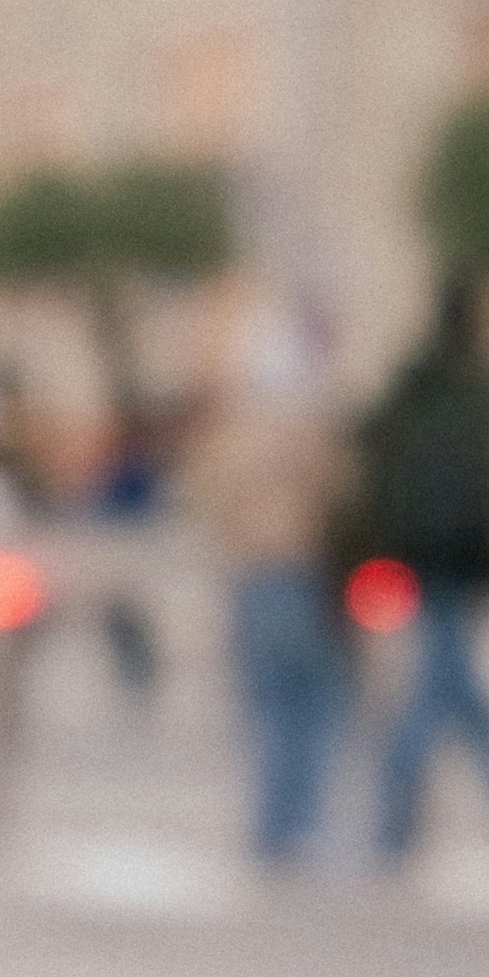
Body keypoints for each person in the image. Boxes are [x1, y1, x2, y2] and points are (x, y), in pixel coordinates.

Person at [356, 277, 489, 861]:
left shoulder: (407, 395)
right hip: (458, 561)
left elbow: (377, 470)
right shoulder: (476, 400)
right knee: (442, 688)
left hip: (413, 556)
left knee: (455, 687)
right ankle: (405, 811)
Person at [190, 337, 351, 867]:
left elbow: (206, 499)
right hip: (300, 577)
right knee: (311, 710)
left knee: (268, 709)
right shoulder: (308, 435)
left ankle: (270, 825)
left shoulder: (229, 439)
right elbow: (342, 495)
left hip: (249, 580)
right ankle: (295, 825)